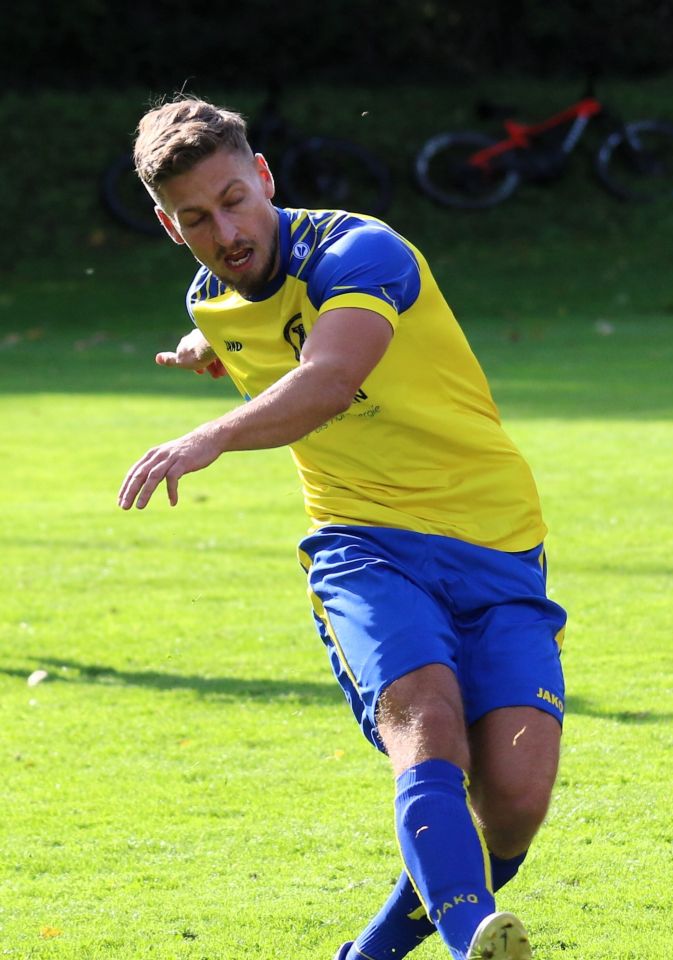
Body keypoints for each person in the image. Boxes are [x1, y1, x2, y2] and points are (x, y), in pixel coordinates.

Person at [117, 97, 566, 960]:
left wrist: (208, 433)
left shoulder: (363, 251)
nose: (227, 230)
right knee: (427, 722)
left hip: (497, 537)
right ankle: (477, 934)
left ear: (267, 178)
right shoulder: (212, 294)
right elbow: (240, 325)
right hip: (364, 546)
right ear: (172, 228)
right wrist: (203, 351)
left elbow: (326, 375)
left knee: (516, 797)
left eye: (236, 198)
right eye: (197, 218)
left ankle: (369, 954)